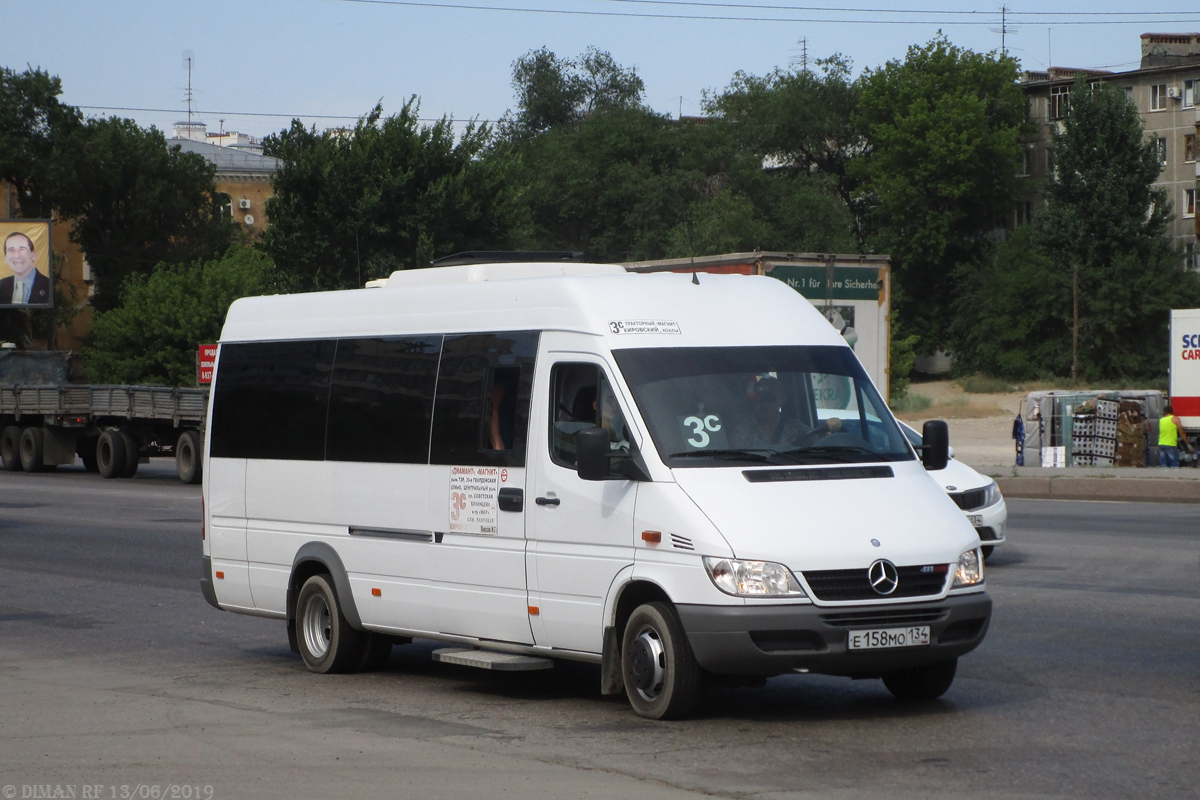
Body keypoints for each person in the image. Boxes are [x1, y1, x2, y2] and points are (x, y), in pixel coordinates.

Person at [0, 232, 51, 305]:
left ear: (33, 255)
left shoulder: (48, 286)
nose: (17, 255)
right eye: (11, 250)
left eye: (22, 249)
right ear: (6, 257)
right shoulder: (2, 286)